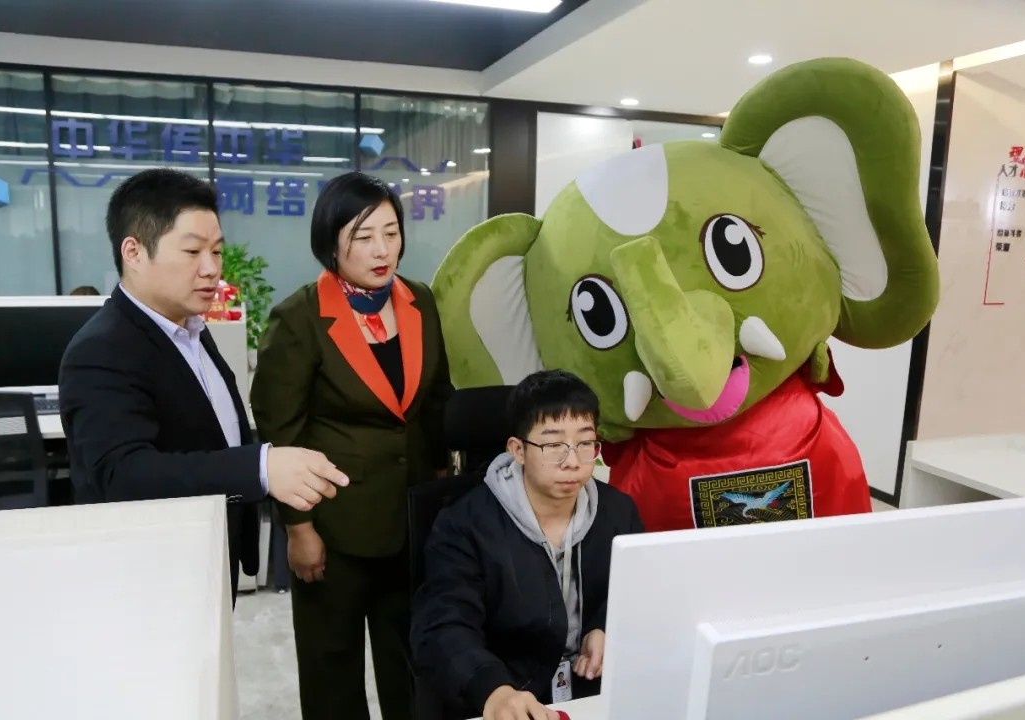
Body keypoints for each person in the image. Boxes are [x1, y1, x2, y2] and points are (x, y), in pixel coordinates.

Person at [58, 168, 349, 603]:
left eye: (216, 251)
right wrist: (260, 468)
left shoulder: (191, 328)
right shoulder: (101, 350)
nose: (212, 269)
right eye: (193, 251)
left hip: (208, 558)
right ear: (133, 252)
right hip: (151, 581)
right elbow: (121, 475)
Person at [250, 171, 453, 720]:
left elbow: (435, 400)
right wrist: (299, 529)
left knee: (413, 660)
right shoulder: (299, 318)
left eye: (391, 232)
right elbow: (280, 431)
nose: (382, 250)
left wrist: (440, 488)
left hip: (410, 519)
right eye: (364, 237)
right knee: (331, 670)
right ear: (331, 242)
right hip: (334, 526)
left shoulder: (420, 301)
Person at [410, 370, 645, 720]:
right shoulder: (465, 525)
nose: (572, 461)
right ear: (517, 450)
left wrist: (606, 627)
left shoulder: (617, 511)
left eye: (585, 443)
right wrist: (494, 690)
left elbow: (638, 591)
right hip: (510, 694)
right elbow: (443, 624)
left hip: (593, 693)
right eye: (553, 446)